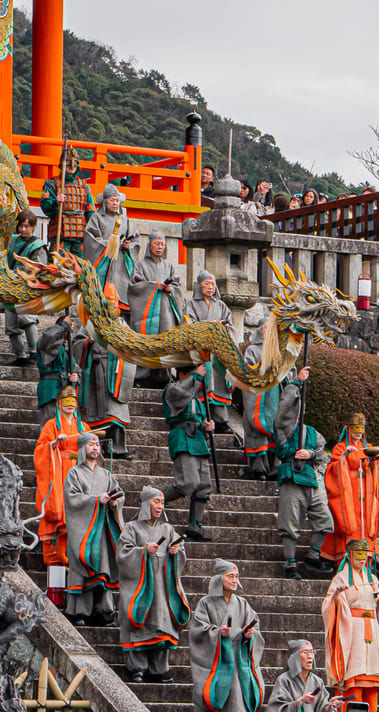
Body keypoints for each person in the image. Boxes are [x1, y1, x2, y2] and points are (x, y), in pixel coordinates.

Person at [117, 486, 189, 683]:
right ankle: (137, 667)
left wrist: (175, 553)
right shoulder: (132, 528)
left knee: (162, 624)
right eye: (156, 502)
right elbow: (122, 554)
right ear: (146, 503)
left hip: (163, 588)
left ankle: (159, 668)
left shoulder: (168, 529)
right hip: (141, 586)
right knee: (139, 620)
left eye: (162, 503)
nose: (160, 506)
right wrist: (143, 551)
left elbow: (180, 552)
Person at [322, 538, 379, 712]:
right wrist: (337, 598)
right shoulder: (340, 578)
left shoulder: (373, 578)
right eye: (358, 555)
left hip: (373, 630)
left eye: (365, 555)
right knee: (353, 683)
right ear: (350, 556)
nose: (362, 559)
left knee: (372, 686)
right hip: (353, 631)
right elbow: (327, 604)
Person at [271, 380, 333, 579]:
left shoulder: (313, 433)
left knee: (325, 519)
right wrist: (296, 382)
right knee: (289, 523)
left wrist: (311, 454)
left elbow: (320, 454)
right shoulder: (283, 428)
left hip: (309, 479)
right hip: (291, 477)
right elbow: (284, 408)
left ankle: (313, 556)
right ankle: (290, 563)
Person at [64, 431, 124, 626]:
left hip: (102, 527)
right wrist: (97, 500)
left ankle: (103, 611)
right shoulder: (74, 473)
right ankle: (78, 611)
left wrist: (115, 502)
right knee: (83, 566)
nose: (95, 447)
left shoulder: (106, 474)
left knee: (102, 569)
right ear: (83, 449)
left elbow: (120, 495)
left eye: (97, 444)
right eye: (91, 444)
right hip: (84, 529)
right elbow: (72, 499)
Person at [190, 559, 264, 712]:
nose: (235, 580)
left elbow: (255, 628)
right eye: (230, 576)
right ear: (219, 579)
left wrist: (248, 635)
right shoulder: (205, 603)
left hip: (237, 658)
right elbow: (198, 630)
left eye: (237, 576)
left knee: (237, 699)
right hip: (217, 657)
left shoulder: (242, 603)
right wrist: (218, 633)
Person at [241, 320, 309, 481]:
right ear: (260, 330)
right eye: (265, 328)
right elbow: (246, 373)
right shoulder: (252, 350)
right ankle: (257, 469)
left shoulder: (283, 351)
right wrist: (265, 367)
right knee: (257, 432)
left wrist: (297, 378)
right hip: (260, 397)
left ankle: (273, 468)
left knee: (276, 431)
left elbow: (289, 373)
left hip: (277, 397)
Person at [320, 413, 379, 565]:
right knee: (349, 525)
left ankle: (365, 566)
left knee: (365, 527)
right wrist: (343, 457)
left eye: (361, 428)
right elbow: (332, 470)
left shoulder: (368, 448)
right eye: (355, 428)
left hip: (366, 496)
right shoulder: (340, 448)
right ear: (348, 429)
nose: (358, 432)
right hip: (348, 495)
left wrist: (374, 463)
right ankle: (345, 563)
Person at [33, 385, 88, 567]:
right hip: (59, 470)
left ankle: (77, 556)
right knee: (58, 509)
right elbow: (40, 449)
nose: (70, 404)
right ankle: (56, 557)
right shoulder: (51, 425)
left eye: (73, 401)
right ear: (59, 404)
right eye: (66, 401)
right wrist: (54, 444)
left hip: (79, 472)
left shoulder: (84, 427)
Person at [162, 364, 214, 542]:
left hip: (198, 439)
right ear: (182, 374)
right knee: (188, 483)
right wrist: (195, 376)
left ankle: (195, 526)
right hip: (182, 437)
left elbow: (200, 421)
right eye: (190, 374)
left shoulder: (198, 401)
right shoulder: (172, 389)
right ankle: (157, 499)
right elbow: (179, 393)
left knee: (203, 486)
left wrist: (208, 428)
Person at [128, 229, 184, 387]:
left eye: (162, 244)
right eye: (156, 244)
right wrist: (154, 287)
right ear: (149, 246)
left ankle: (164, 376)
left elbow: (178, 287)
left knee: (165, 343)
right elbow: (134, 286)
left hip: (165, 313)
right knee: (147, 343)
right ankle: (141, 377)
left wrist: (170, 289)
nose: (159, 247)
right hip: (148, 313)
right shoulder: (140, 265)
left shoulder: (169, 266)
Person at [74, 324, 135, 460]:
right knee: (94, 413)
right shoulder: (90, 322)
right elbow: (76, 343)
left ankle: (117, 448)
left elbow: (132, 339)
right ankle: (96, 448)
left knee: (115, 413)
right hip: (94, 372)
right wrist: (87, 343)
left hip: (115, 372)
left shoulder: (120, 323)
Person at [184, 270, 235, 434]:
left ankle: (221, 420)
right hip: (201, 351)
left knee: (220, 385)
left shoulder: (221, 305)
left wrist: (224, 327)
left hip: (219, 352)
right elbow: (188, 324)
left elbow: (231, 327)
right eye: (207, 284)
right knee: (204, 385)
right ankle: (203, 419)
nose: (210, 287)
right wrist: (209, 325)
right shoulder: (190, 304)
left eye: (212, 284)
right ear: (200, 286)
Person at [83, 183, 140, 320]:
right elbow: (91, 239)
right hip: (103, 261)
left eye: (117, 200)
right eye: (112, 200)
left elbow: (135, 239)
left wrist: (128, 245)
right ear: (105, 202)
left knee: (122, 288)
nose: (115, 203)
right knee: (100, 290)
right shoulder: (97, 218)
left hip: (120, 261)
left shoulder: (124, 220)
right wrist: (108, 244)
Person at [7, 209, 47, 365]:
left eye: (27, 226)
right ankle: (20, 354)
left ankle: (34, 351)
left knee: (27, 319)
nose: (23, 229)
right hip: (11, 284)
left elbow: (40, 269)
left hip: (27, 286)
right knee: (10, 324)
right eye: (21, 226)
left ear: (33, 227)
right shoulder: (13, 241)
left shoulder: (38, 246)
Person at [39, 145, 94, 257]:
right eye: (68, 162)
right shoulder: (53, 184)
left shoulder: (84, 186)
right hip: (60, 231)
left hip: (79, 233)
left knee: (79, 267)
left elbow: (90, 210)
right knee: (57, 265)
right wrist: (56, 202)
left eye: (74, 162)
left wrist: (93, 232)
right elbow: (45, 205)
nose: (72, 165)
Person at [267, 639, 346, 712]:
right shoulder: (284, 680)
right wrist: (300, 701)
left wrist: (329, 706)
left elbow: (322, 708)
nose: (310, 656)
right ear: (295, 657)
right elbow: (275, 709)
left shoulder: (317, 681)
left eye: (312, 652)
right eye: (305, 652)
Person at [36, 315, 79, 426]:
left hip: (65, 390)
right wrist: (63, 325)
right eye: (70, 326)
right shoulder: (46, 344)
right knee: (50, 425)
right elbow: (49, 336)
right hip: (51, 390)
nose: (72, 329)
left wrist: (73, 378)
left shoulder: (66, 350)